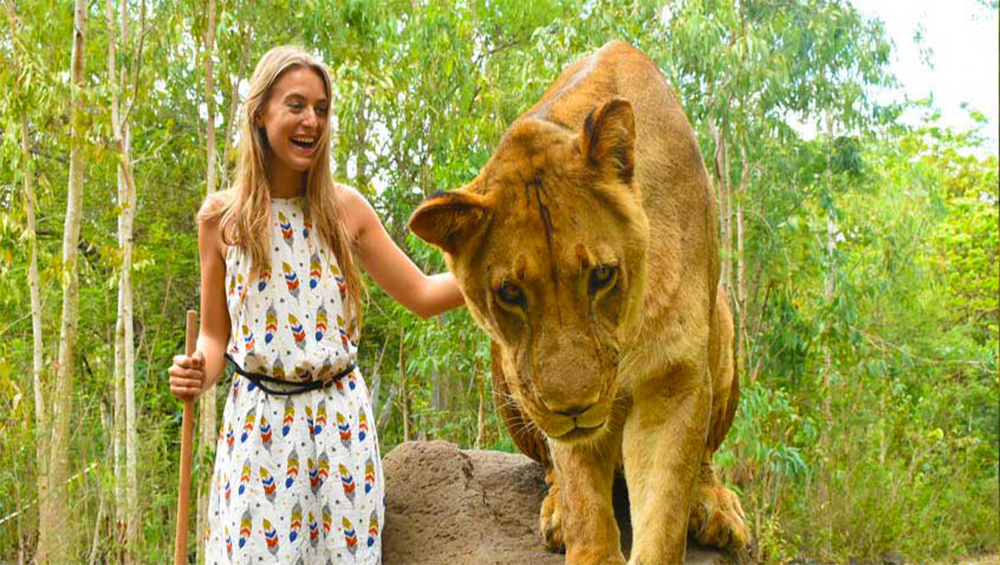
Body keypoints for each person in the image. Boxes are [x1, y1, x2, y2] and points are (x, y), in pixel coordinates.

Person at [168, 45, 464, 564]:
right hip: (258, 434)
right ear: (260, 114)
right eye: (296, 105)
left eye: (321, 109)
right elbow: (216, 336)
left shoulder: (345, 211)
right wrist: (197, 369)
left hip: (339, 431)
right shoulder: (221, 220)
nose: (312, 121)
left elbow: (420, 294)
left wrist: (507, 276)